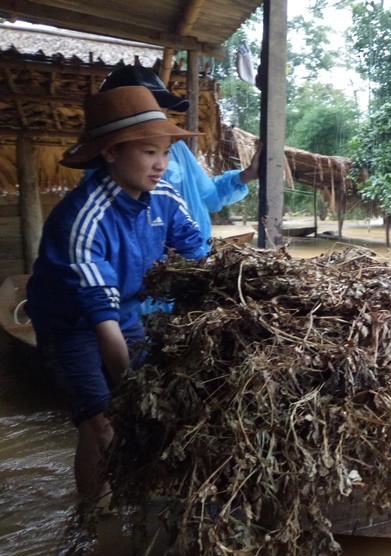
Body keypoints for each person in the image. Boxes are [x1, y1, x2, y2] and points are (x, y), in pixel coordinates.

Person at [26, 86, 207, 499]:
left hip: (125, 313)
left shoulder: (164, 197)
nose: (161, 164)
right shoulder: (83, 219)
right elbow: (102, 325)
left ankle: (107, 506)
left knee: (154, 403)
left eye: (165, 153)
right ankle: (95, 513)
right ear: (110, 152)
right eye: (148, 153)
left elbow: (202, 259)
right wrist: (133, 395)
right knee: (102, 423)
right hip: (70, 325)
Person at [99, 65, 261, 253]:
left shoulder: (176, 148)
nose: (160, 163)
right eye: (148, 112)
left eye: (161, 112)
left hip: (192, 265)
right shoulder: (103, 192)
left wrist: (246, 176)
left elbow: (207, 195)